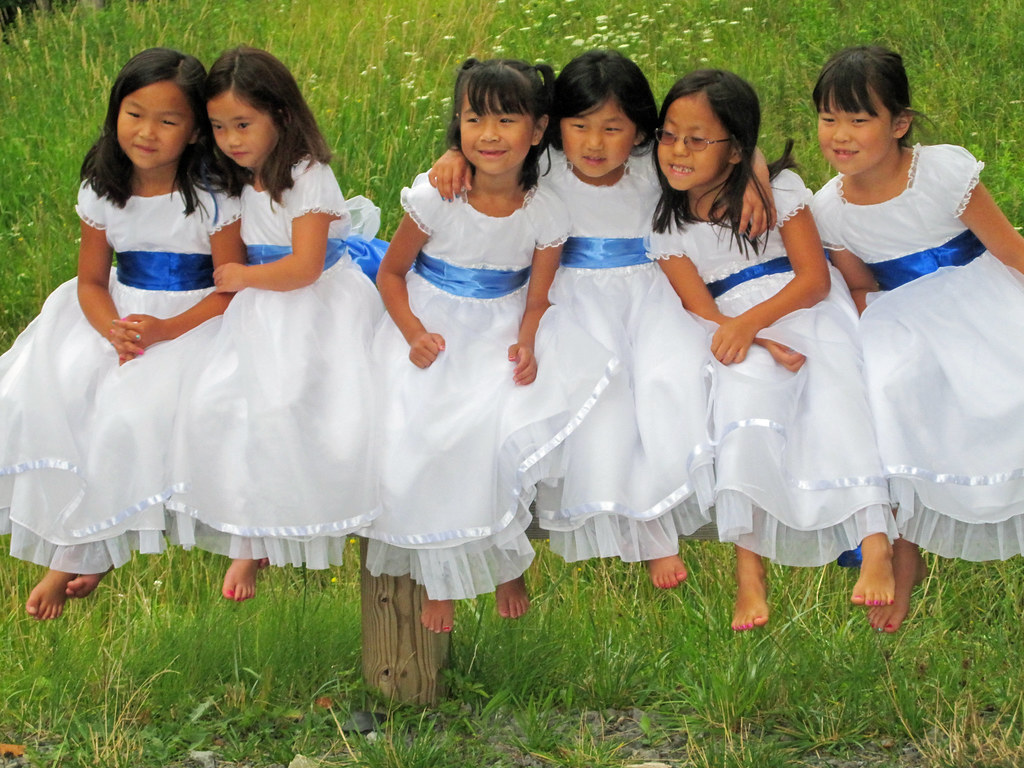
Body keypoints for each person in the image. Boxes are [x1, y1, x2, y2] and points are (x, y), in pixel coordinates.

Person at [428, 51, 774, 588]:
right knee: (602, 399)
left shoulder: (653, 166)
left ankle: (668, 514)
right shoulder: (541, 168)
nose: (593, 144)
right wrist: (454, 152)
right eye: (579, 126)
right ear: (553, 127)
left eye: (613, 128)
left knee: (667, 383)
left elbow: (727, 143)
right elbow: (489, 143)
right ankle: (649, 531)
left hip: (650, 296)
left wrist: (753, 176)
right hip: (570, 301)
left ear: (641, 132)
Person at [366, 58, 617, 633]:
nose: (489, 135)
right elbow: (391, 274)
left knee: (502, 420)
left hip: (502, 322)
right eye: (474, 119)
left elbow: (536, 296)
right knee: (424, 426)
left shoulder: (546, 208)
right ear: (457, 125)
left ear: (537, 130)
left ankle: (506, 560)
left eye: (507, 120)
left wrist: (527, 342)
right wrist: (412, 334)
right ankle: (440, 578)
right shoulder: (438, 195)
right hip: (431, 320)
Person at [0, 48, 245, 619]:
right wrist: (111, 328)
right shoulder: (104, 186)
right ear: (115, 113)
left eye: (168, 120)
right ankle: (88, 541)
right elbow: (89, 280)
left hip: (195, 319)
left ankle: (80, 550)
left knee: (127, 415)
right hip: (118, 312)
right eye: (135, 114)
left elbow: (228, 288)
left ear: (193, 132)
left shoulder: (212, 193)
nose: (148, 132)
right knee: (36, 395)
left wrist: (165, 330)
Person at [648, 69, 897, 631]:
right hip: (735, 326)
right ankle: (749, 570)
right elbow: (700, 308)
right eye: (669, 135)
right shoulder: (667, 228)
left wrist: (760, 323)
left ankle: (873, 538)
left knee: (836, 389)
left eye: (697, 139)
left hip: (804, 307)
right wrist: (753, 337)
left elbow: (812, 279)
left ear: (735, 150)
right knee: (741, 402)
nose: (678, 151)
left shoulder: (780, 192)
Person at [811, 46, 1024, 632]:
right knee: (889, 399)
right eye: (829, 119)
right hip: (901, 316)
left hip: (982, 295)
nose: (841, 135)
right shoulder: (828, 208)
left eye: (859, 119)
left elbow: (1008, 248)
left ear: (899, 124)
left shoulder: (941, 173)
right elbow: (859, 288)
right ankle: (903, 556)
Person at [163, 46, 385, 601]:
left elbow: (307, 267)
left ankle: (275, 531)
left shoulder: (307, 175)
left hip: (314, 306)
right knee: (222, 402)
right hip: (259, 304)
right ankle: (248, 534)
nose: (232, 139)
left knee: (289, 403)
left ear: (280, 116)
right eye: (218, 127)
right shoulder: (237, 177)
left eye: (244, 124)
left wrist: (240, 275)